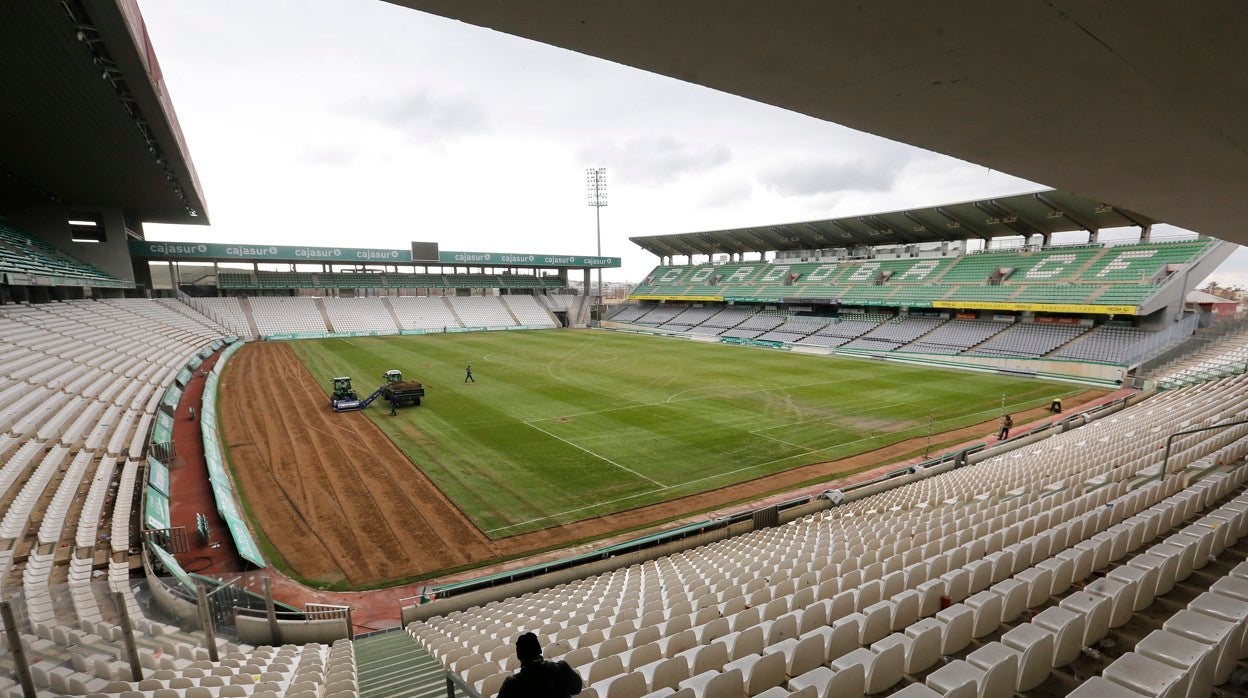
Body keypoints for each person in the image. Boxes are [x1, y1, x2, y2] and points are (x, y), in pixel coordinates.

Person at [497, 632, 582, 698]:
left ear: (519, 657)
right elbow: (577, 689)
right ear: (540, 651)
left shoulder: (511, 684)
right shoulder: (560, 668)